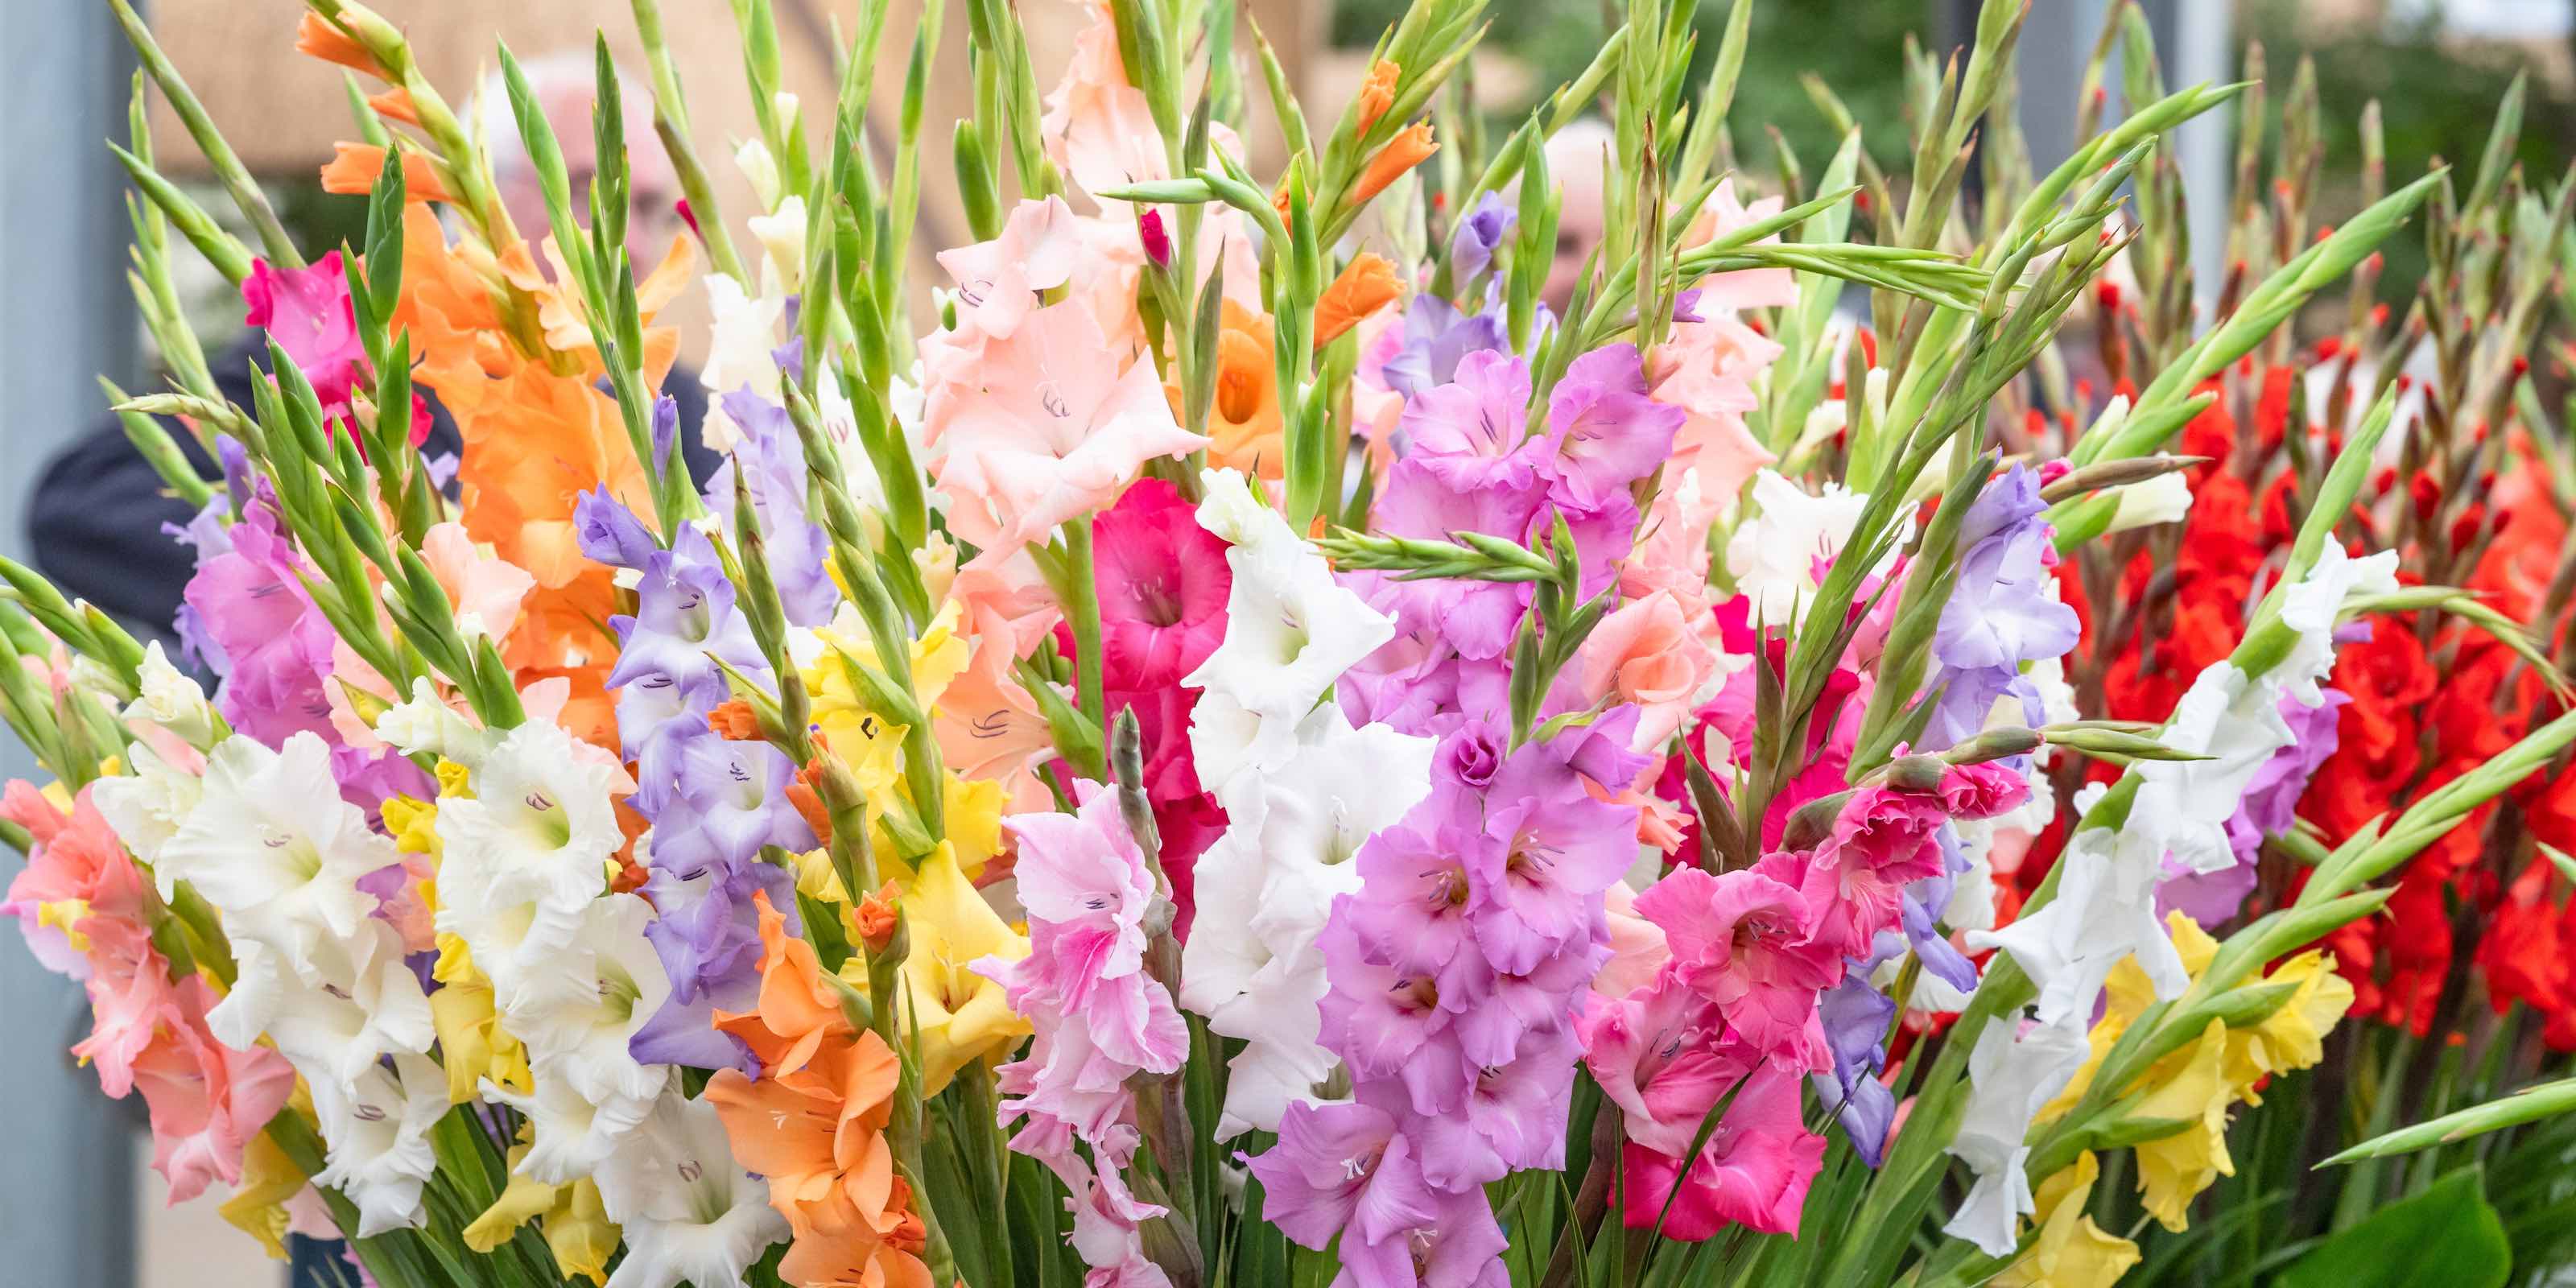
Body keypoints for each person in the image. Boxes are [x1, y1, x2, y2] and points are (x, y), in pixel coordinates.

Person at [27, 52, 713, 654]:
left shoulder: (678, 416)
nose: (630, 244)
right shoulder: (354, 353)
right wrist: (352, 581)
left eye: (648, 208)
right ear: (475, 193)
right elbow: (81, 504)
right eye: (588, 194)